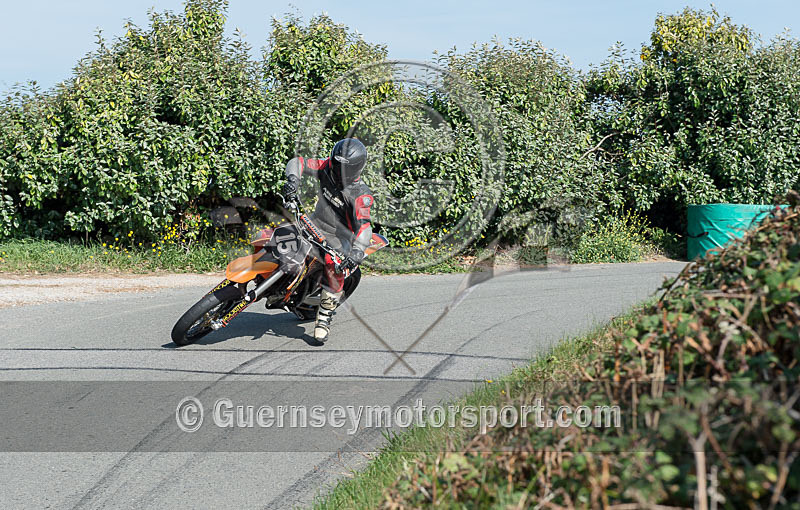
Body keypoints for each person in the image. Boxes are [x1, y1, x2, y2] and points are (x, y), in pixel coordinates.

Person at [282, 138, 374, 342]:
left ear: (355, 168)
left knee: (335, 266)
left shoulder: (361, 195)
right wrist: (292, 182)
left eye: (343, 167)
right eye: (336, 164)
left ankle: (324, 316)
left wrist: (358, 252)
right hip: (315, 222)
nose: (337, 170)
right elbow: (298, 162)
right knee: (280, 232)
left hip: (340, 238)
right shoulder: (327, 166)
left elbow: (365, 227)